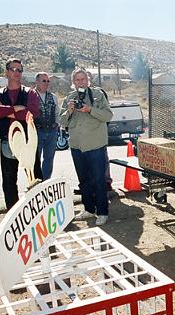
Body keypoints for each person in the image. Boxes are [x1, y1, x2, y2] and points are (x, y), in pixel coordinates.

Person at [60, 68, 113, 226]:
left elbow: (108, 115)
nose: (81, 82)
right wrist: (69, 111)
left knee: (99, 180)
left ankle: (102, 212)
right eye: (77, 80)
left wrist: (90, 109)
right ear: (73, 82)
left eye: (83, 79)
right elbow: (62, 122)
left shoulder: (97, 95)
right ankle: (89, 209)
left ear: (88, 80)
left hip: (95, 145)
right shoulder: (69, 98)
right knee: (83, 181)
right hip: (77, 146)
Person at [0, 58, 42, 209]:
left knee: (35, 177)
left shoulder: (30, 92)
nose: (17, 72)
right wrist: (16, 108)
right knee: (9, 180)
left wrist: (5, 112)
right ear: (6, 72)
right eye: (13, 69)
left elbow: (33, 113)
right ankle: (13, 213)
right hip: (7, 141)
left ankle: (40, 210)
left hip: (28, 141)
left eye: (19, 70)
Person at [33, 72, 60, 179]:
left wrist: (57, 126)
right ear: (37, 81)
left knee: (49, 159)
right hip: (37, 132)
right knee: (35, 159)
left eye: (48, 81)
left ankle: (46, 181)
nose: (46, 83)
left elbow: (57, 112)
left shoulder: (53, 97)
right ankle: (36, 182)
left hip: (52, 132)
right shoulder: (31, 95)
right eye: (44, 81)